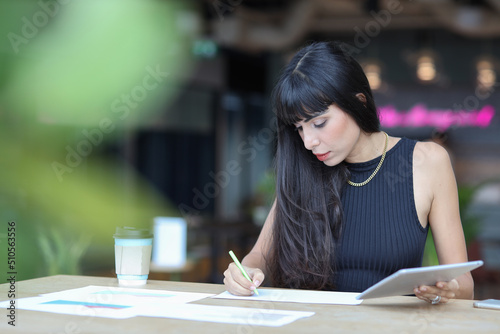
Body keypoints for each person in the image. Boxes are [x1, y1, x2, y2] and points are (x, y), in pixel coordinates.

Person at [223, 41, 474, 304]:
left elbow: (465, 284)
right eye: (299, 128)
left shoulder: (428, 162)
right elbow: (258, 257)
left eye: (319, 123)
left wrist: (449, 289)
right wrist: (243, 273)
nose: (308, 142)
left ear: (358, 102)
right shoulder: (302, 169)